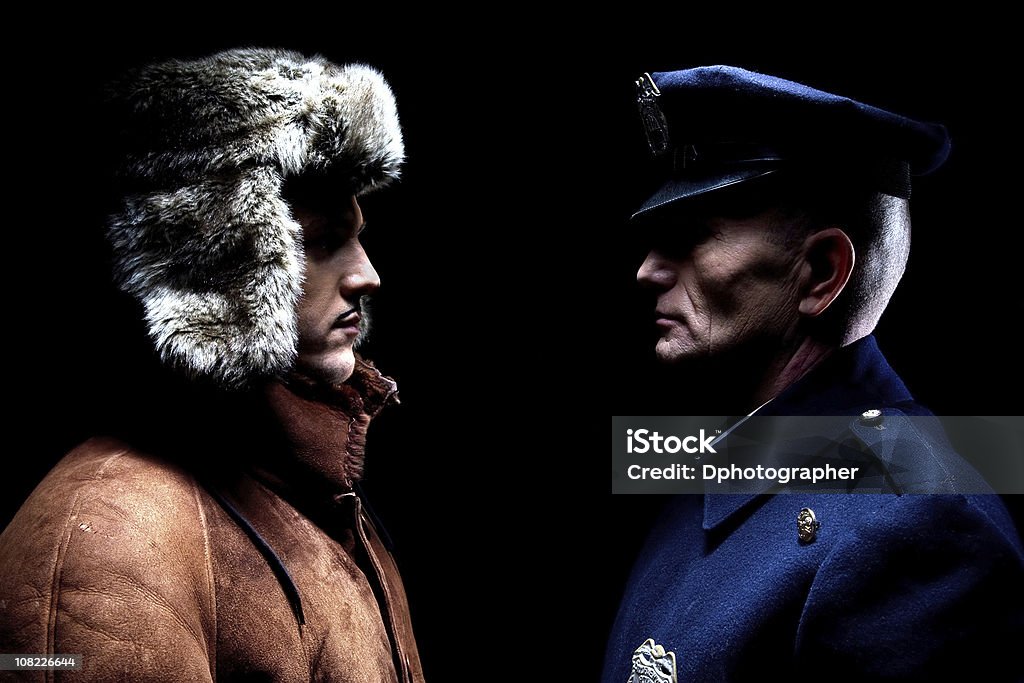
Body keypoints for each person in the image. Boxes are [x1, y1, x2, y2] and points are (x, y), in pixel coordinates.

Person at [0, 48, 425, 681]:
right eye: (321, 242)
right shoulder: (110, 537)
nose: (369, 275)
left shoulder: (317, 491)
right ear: (219, 263)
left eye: (359, 236)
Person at [604, 66, 1023, 682]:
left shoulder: (917, 529)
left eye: (691, 237)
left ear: (824, 272)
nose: (647, 271)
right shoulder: (726, 461)